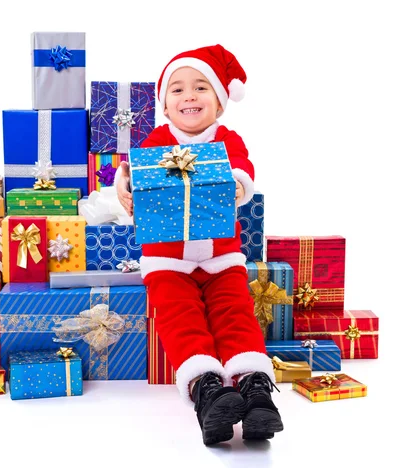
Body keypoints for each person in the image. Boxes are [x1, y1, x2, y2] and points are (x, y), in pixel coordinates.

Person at [116, 45, 283, 445]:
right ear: (165, 106)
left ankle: (255, 388)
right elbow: (129, 172)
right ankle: (207, 390)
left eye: (201, 87)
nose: (189, 95)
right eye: (177, 90)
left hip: (221, 256)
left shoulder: (227, 139)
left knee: (235, 312)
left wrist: (236, 183)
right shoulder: (156, 140)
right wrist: (123, 188)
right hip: (167, 260)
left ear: (221, 103)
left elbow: (243, 173)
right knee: (179, 316)